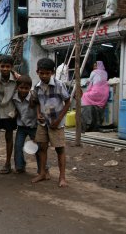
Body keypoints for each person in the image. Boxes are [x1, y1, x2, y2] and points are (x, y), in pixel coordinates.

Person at [32, 58, 71, 187]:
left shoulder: (59, 85)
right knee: (42, 147)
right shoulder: (37, 87)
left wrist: (59, 119)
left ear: (52, 72)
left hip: (57, 123)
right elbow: (37, 102)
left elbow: (68, 102)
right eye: (41, 73)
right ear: (37, 71)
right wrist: (38, 114)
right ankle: (42, 173)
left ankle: (62, 177)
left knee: (60, 149)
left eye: (47, 73)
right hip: (43, 123)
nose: (44, 76)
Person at [12, 75, 49, 177]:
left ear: (30, 88)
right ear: (17, 87)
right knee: (18, 146)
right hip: (22, 126)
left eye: (26, 88)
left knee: (38, 148)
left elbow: (40, 108)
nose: (24, 90)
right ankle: (20, 167)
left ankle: (43, 169)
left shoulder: (33, 97)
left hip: (34, 127)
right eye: (21, 88)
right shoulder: (14, 97)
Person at [0, 55, 18, 174]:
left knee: (9, 137)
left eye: (8, 66)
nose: (5, 69)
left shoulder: (17, 79)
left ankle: (7, 163)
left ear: (12, 67)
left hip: (10, 112)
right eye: (2, 66)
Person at [81, 61, 110, 132]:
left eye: (95, 66)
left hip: (96, 92)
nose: (94, 68)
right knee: (95, 104)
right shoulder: (105, 72)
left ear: (98, 66)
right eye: (94, 66)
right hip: (105, 93)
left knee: (85, 96)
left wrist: (86, 86)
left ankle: (87, 123)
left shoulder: (94, 72)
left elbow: (89, 81)